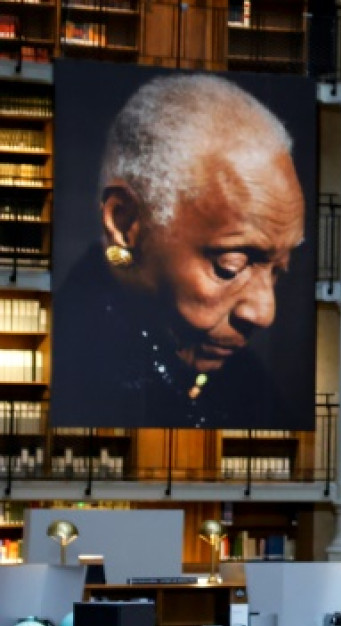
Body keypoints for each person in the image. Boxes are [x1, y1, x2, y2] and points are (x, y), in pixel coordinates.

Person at [51, 73, 306, 429]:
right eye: (229, 265)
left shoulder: (245, 382)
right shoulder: (67, 375)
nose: (264, 312)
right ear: (124, 223)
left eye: (278, 270)